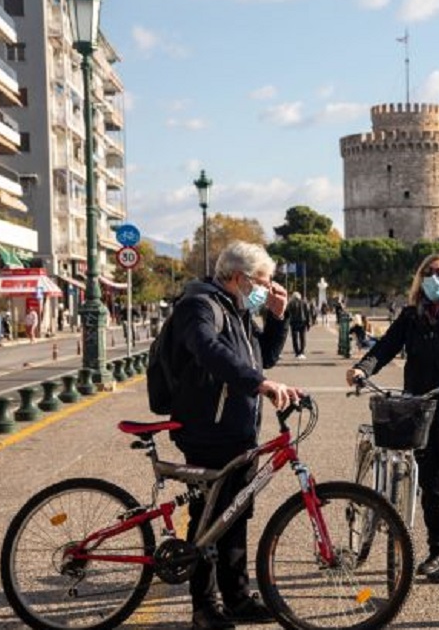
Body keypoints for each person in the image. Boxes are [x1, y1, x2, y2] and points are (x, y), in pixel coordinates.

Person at [167, 241, 300, 630]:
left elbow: (262, 359)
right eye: (265, 281)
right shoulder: (199, 305)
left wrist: (277, 318)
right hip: (207, 428)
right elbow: (208, 351)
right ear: (240, 278)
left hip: (239, 428)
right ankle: (204, 607)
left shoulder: (238, 311)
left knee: (236, 514)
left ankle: (237, 597)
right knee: (208, 519)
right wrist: (259, 384)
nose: (268, 288)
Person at [345, 252, 439, 584]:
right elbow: (384, 348)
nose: (435, 278)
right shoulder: (411, 316)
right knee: (430, 484)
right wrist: (361, 369)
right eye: (429, 272)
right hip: (420, 410)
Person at [286, 291, 310, 359]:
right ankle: (302, 352)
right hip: (303, 322)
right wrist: (308, 323)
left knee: (295, 338)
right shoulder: (304, 303)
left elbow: (287, 313)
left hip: (293, 322)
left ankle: (297, 353)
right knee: (303, 338)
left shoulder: (290, 303)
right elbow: (307, 313)